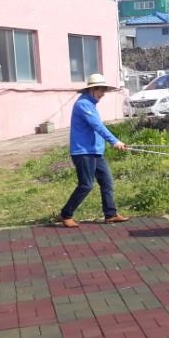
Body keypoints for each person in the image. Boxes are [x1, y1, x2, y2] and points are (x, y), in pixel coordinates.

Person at [58, 73, 129, 227]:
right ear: (92, 89)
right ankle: (66, 214)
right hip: (83, 152)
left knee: (107, 181)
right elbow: (97, 126)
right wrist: (114, 141)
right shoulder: (83, 104)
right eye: (101, 90)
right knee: (86, 185)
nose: (103, 94)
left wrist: (112, 142)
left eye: (104, 90)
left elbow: (97, 128)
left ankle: (110, 214)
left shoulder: (90, 105)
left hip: (95, 152)